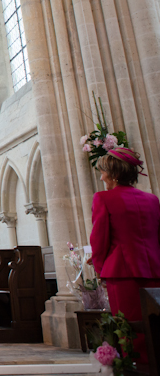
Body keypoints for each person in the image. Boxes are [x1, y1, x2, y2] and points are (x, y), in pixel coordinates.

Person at [90, 147, 160, 364]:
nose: (101, 177)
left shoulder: (104, 199)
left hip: (122, 273)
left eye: (103, 172)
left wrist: (100, 271)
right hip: (155, 271)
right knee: (155, 327)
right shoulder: (152, 200)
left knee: (128, 328)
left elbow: (99, 241)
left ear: (114, 174)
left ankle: (135, 368)